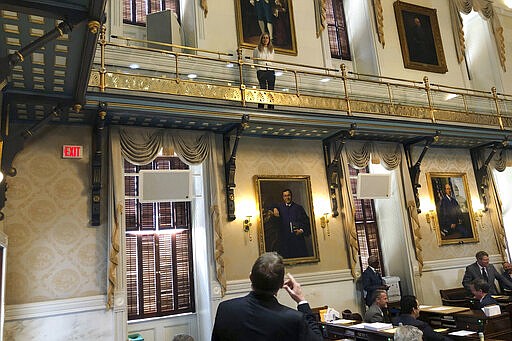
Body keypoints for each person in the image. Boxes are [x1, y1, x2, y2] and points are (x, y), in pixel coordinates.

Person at [211, 252, 323, 341]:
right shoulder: (294, 320)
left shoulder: (225, 309)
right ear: (281, 285)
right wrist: (302, 301)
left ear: (250, 277)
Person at [273, 189, 311, 258]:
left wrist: (301, 230)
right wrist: (275, 208)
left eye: (288, 195)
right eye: (285, 196)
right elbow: (270, 206)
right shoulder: (280, 207)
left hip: (297, 241)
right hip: (285, 242)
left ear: (291, 196)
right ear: (283, 197)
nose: (287, 197)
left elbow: (307, 223)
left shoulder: (299, 208)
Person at [253, 33, 275, 109]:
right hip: (261, 70)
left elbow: (272, 60)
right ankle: (261, 106)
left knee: (271, 89)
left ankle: (271, 107)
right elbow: (255, 61)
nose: (265, 39)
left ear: (269, 40)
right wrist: (258, 69)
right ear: (261, 39)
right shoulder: (256, 49)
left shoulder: (271, 49)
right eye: (264, 38)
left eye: (267, 38)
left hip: (270, 70)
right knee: (262, 88)